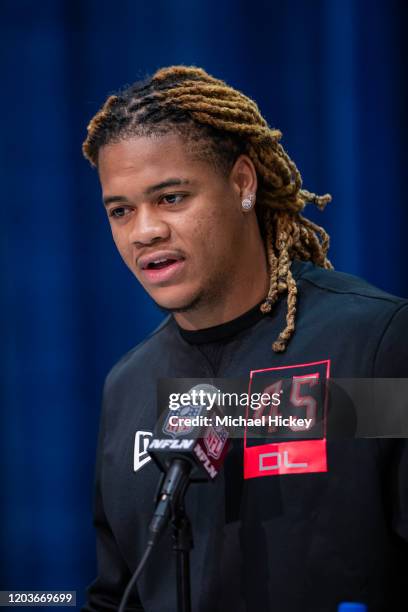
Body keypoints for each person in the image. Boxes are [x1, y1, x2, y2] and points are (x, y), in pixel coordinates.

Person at [81, 65, 408, 612]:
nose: (144, 231)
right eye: (121, 210)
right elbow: (117, 597)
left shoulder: (371, 345)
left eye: (171, 198)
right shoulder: (130, 389)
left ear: (242, 184)